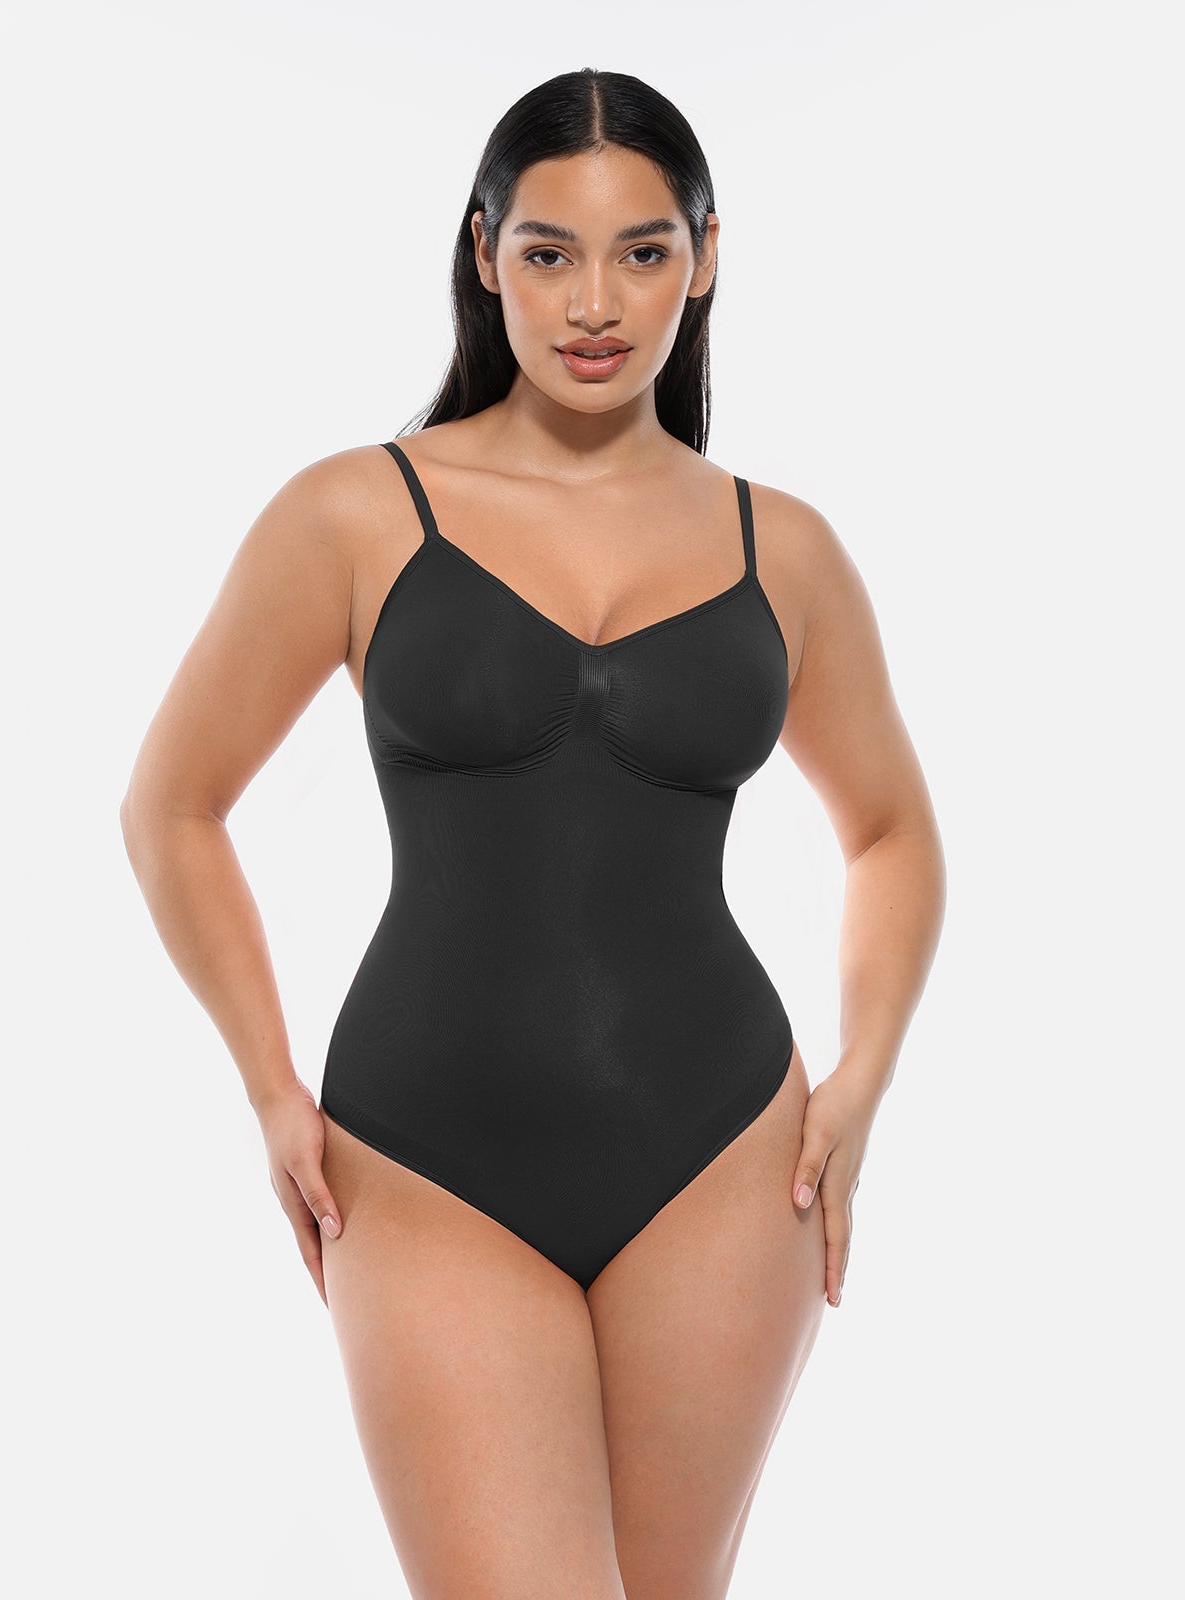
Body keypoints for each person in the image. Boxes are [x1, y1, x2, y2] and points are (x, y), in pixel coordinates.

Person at [121, 67, 945, 1600]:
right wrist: (269, 1088)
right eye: (550, 251)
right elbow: (173, 806)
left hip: (722, 1159)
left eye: (643, 250)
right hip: (424, 1161)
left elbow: (892, 829)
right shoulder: (355, 515)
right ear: (484, 251)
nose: (595, 302)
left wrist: (863, 1081)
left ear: (706, 256)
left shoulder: (784, 549)